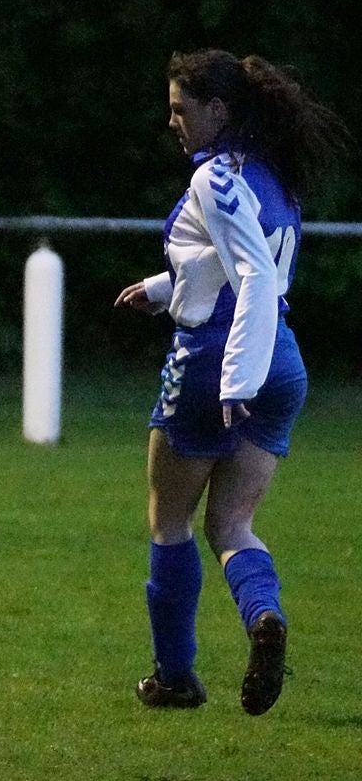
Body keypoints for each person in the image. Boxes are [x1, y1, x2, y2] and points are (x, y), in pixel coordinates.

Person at [116, 49, 350, 715]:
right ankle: (263, 616)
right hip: (284, 360)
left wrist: (233, 380)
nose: (173, 122)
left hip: (220, 359)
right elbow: (233, 265)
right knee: (233, 522)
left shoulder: (215, 176)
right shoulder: (275, 174)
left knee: (169, 519)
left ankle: (174, 677)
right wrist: (162, 289)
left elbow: (250, 275)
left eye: (181, 109)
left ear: (218, 109)